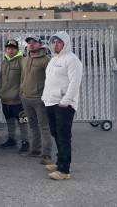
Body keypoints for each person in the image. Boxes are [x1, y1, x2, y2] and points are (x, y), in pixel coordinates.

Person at [42, 31, 83, 180]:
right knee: (56, 134)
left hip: (63, 105)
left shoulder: (72, 60)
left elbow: (75, 83)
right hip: (50, 102)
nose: (55, 45)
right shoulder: (53, 60)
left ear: (65, 43)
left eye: (59, 42)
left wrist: (66, 101)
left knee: (64, 136)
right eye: (53, 42)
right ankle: (59, 162)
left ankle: (64, 170)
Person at [20, 35, 52, 164]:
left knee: (44, 126)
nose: (31, 44)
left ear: (40, 44)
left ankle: (46, 154)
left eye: (34, 42)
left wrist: (46, 95)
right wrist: (21, 92)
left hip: (40, 99)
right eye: (29, 43)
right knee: (32, 125)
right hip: (26, 98)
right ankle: (35, 149)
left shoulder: (46, 60)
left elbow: (51, 80)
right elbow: (22, 77)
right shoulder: (25, 59)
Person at [0, 39, 29, 152]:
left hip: (18, 99)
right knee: (9, 120)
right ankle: (12, 139)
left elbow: (25, 78)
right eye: (8, 48)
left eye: (13, 48)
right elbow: (1, 78)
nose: (10, 50)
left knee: (22, 121)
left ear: (17, 49)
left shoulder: (22, 61)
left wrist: (21, 93)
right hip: (5, 98)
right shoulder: (4, 61)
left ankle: (25, 142)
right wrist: (0, 91)